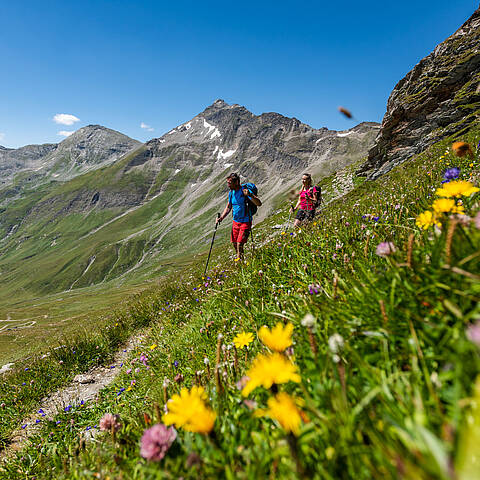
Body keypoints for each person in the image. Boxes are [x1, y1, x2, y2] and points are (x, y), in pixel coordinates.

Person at [216, 173, 262, 260]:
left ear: (236, 182)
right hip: (235, 222)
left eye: (230, 183)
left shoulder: (245, 191)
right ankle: (241, 260)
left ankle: (239, 264)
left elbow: (259, 203)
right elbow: (229, 206)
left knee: (239, 244)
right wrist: (221, 217)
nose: (228, 185)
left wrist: (250, 195)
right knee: (234, 243)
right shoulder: (231, 193)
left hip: (245, 221)